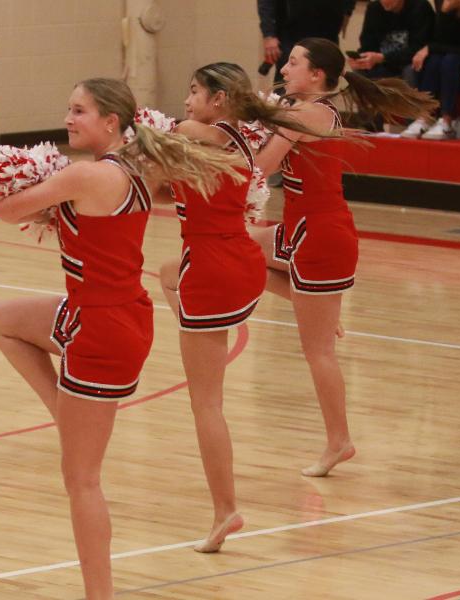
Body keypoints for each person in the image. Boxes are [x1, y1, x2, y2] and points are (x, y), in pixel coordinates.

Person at [0, 78, 244, 600]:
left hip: (100, 327)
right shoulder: (139, 168)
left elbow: (6, 211)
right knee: (0, 319)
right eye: (68, 108)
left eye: (79, 110)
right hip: (111, 314)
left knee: (81, 480)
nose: (68, 118)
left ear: (110, 122)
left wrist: (31, 180)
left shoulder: (87, 175)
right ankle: (67, 415)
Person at [163, 62, 330, 552]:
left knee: (206, 403)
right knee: (167, 274)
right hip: (241, 263)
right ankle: (208, 330)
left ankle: (225, 510)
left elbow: (161, 141)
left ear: (219, 99)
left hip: (212, 269)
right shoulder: (236, 137)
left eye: (194, 91)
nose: (187, 101)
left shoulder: (198, 131)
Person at [256, 38, 436, 477]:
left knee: (317, 352)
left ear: (317, 74)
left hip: (320, 237)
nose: (284, 70)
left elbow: (261, 167)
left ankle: (339, 441)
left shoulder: (304, 114)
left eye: (293, 63)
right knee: (237, 249)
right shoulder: (309, 111)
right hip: (301, 230)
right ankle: (312, 306)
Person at [403, 0, 460, 139]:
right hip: (449, 61)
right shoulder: (446, 9)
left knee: (450, 60)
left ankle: (446, 121)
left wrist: (432, 48)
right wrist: (444, 13)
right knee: (433, 60)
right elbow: (438, 41)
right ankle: (425, 117)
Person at [258, 0, 357, 81]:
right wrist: (269, 35)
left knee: (324, 84)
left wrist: (347, 12)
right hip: (291, 34)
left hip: (328, 34)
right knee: (288, 85)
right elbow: (267, 3)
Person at [351, 0, 435, 82]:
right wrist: (362, 58)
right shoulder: (374, 9)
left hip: (408, 61)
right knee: (359, 70)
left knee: (410, 71)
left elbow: (417, 48)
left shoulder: (420, 7)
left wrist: (383, 58)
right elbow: (367, 44)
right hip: (383, 62)